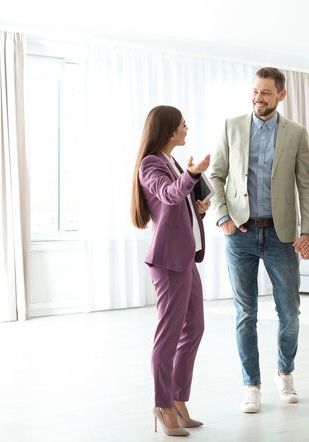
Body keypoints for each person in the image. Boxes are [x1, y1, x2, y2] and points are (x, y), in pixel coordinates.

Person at [210, 67, 309, 413]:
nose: (259, 98)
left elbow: (307, 184)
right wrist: (223, 216)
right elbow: (216, 175)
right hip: (239, 233)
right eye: (256, 91)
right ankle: (251, 384)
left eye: (266, 93)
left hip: (280, 234)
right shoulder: (232, 126)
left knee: (290, 313)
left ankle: (284, 373)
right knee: (246, 313)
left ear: (281, 95)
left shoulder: (296, 134)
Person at [130, 105, 211, 437]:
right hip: (168, 262)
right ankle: (162, 405)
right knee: (169, 335)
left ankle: (177, 399)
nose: (187, 129)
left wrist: (199, 208)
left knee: (195, 328)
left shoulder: (171, 161)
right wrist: (192, 176)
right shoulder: (150, 164)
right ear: (169, 131)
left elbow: (176, 206)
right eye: (183, 125)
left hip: (186, 258)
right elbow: (167, 193)